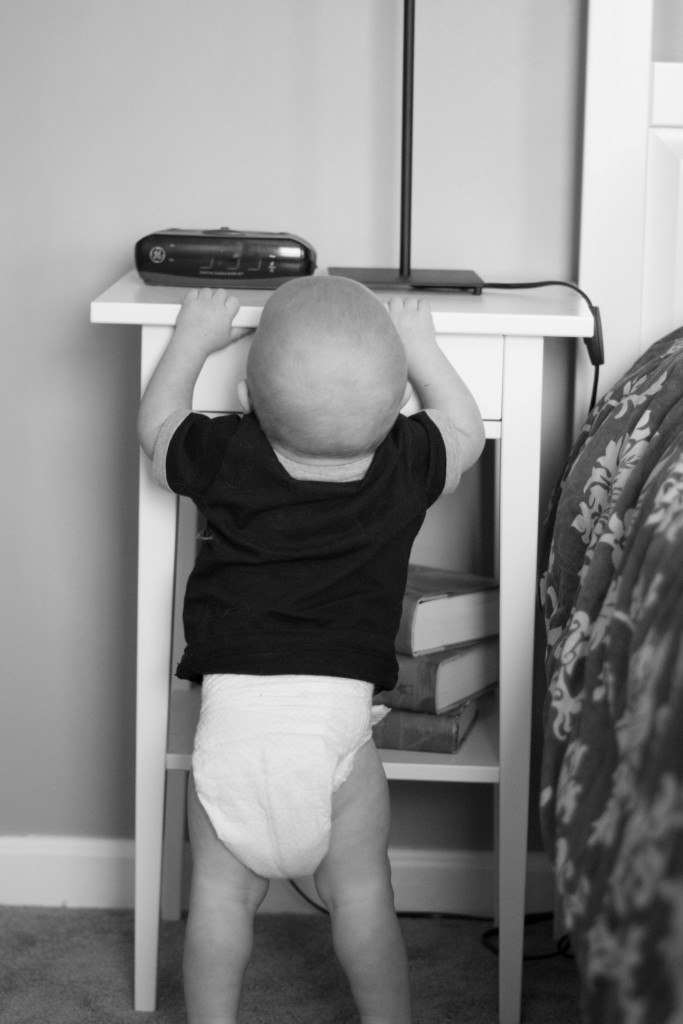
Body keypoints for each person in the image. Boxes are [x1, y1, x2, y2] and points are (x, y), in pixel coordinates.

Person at [138, 275, 485, 1024]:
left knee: (220, 900)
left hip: (229, 732)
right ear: (396, 406)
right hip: (334, 744)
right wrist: (422, 350)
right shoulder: (405, 463)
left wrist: (192, 341)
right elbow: (466, 429)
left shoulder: (227, 452)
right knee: (361, 896)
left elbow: (156, 425)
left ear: (252, 405)